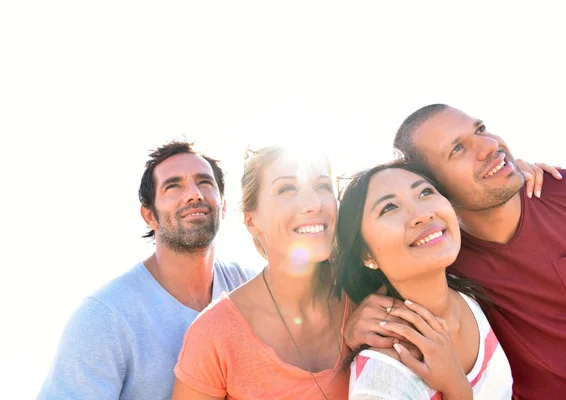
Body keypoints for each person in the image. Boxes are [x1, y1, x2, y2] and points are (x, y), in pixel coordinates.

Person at [349, 104, 566, 399]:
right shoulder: (445, 258)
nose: (490, 146)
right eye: (457, 149)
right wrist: (354, 324)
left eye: (480, 130)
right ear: (438, 186)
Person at [37, 140, 255, 400]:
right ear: (150, 215)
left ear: (224, 205)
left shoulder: (250, 289)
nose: (194, 194)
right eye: (173, 186)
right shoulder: (105, 317)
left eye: (205, 182)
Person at [172, 146, 351, 400]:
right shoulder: (214, 335)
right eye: (287, 189)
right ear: (252, 221)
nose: (314, 203)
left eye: (323, 186)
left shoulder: (362, 299)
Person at [335, 160, 513, 399]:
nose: (422, 214)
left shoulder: (468, 293)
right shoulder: (383, 379)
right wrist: (457, 389)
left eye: (425, 192)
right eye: (389, 208)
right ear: (366, 254)